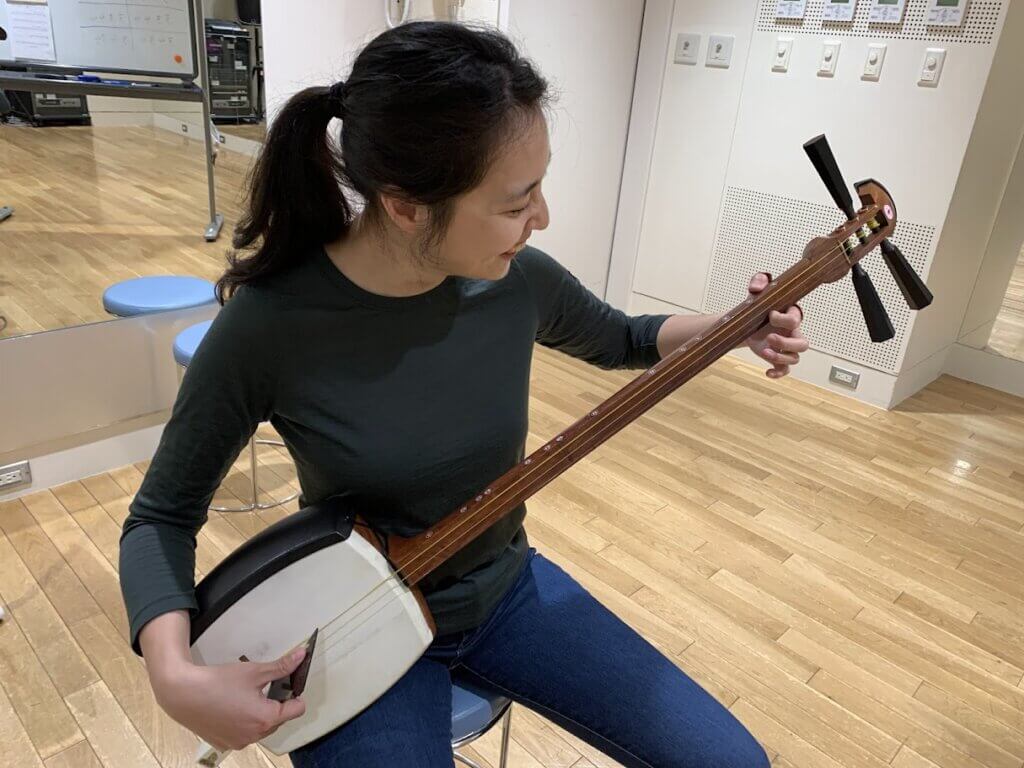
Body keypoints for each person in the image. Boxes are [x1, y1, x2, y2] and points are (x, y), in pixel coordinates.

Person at [119, 21, 807, 768]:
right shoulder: (272, 324)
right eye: (516, 202)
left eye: (539, 188)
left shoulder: (514, 283)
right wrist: (175, 677)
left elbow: (624, 337)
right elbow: (161, 516)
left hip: (506, 593)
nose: (542, 218)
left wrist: (734, 327)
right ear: (405, 205)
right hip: (357, 629)